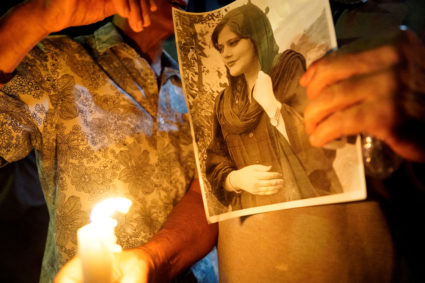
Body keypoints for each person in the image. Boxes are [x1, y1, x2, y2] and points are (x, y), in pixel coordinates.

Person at [0, 0, 217, 282]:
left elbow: (207, 197)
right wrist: (38, 17)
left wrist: (152, 259)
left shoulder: (197, 86)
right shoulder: (57, 61)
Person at [205, 3, 342, 210]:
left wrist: (273, 107)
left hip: (306, 207)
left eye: (233, 43)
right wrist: (235, 179)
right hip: (253, 219)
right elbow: (216, 160)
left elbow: (319, 143)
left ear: (256, 38)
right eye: (221, 47)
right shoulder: (224, 103)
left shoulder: (287, 68)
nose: (225, 54)